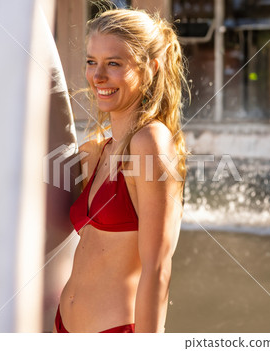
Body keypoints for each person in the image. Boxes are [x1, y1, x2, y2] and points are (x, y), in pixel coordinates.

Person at [53, 7, 188, 333]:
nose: (97, 76)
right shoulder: (98, 150)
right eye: (91, 62)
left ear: (151, 68)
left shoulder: (152, 142)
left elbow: (158, 268)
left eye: (114, 63)